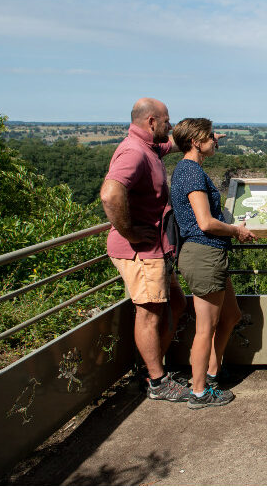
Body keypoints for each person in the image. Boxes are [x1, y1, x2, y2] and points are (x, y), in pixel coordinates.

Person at [100, 98, 191, 401]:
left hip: (156, 249)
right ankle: (157, 381)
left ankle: (153, 368)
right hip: (141, 251)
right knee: (150, 312)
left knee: (175, 303)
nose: (170, 124)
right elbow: (111, 194)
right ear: (152, 121)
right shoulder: (133, 152)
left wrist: (205, 138)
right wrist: (130, 232)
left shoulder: (149, 147)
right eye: (167, 120)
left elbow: (170, 145)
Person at [170, 118, 256, 409]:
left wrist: (210, 137)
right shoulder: (192, 173)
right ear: (196, 141)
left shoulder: (187, 168)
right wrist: (237, 231)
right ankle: (198, 392)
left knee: (230, 315)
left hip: (210, 255)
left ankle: (211, 372)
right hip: (203, 253)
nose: (215, 141)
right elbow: (205, 222)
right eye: (210, 137)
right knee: (205, 327)